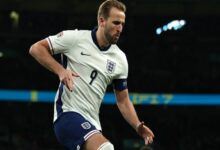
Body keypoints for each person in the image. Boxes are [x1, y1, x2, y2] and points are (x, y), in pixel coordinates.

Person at [29, 0, 154, 150]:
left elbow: (123, 100)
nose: (120, 28)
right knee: (106, 148)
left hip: (93, 124)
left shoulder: (120, 59)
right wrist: (60, 71)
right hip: (67, 114)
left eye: (122, 24)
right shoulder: (75, 38)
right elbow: (36, 48)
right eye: (115, 23)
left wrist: (138, 126)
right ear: (102, 21)